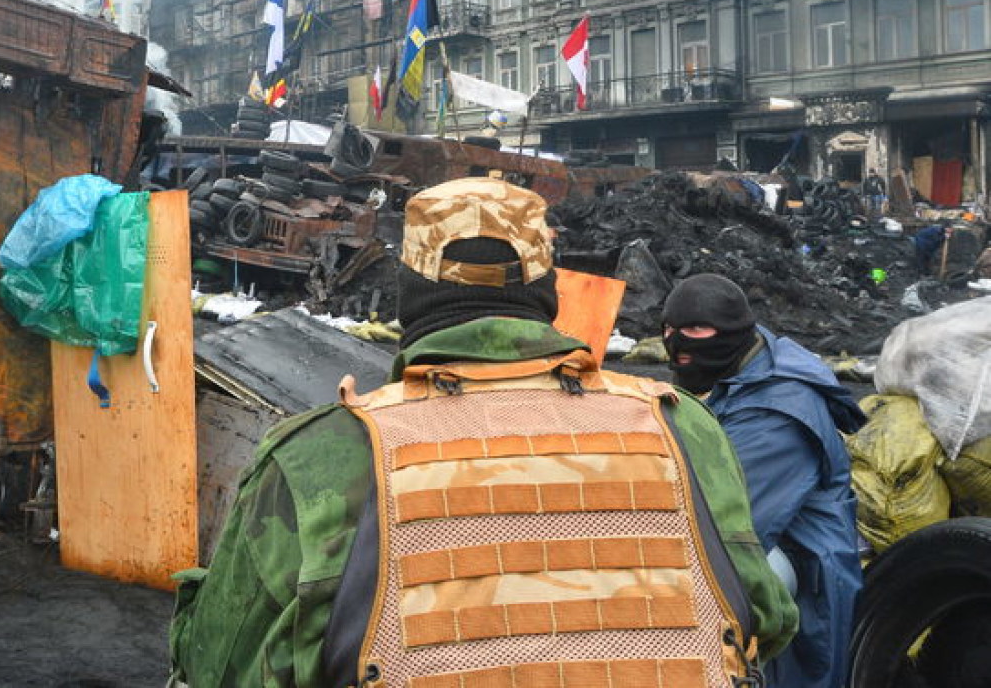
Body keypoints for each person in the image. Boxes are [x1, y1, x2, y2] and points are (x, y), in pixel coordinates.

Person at [170, 176, 797, 687]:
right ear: (546, 289)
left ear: (408, 294)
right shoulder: (680, 425)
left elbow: (216, 664)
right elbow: (765, 616)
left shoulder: (319, 456)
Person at [660, 273, 867, 688]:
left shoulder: (778, 416)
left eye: (696, 330)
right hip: (779, 541)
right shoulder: (750, 365)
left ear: (732, 332)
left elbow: (727, 522)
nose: (678, 343)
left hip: (806, 573)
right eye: (668, 330)